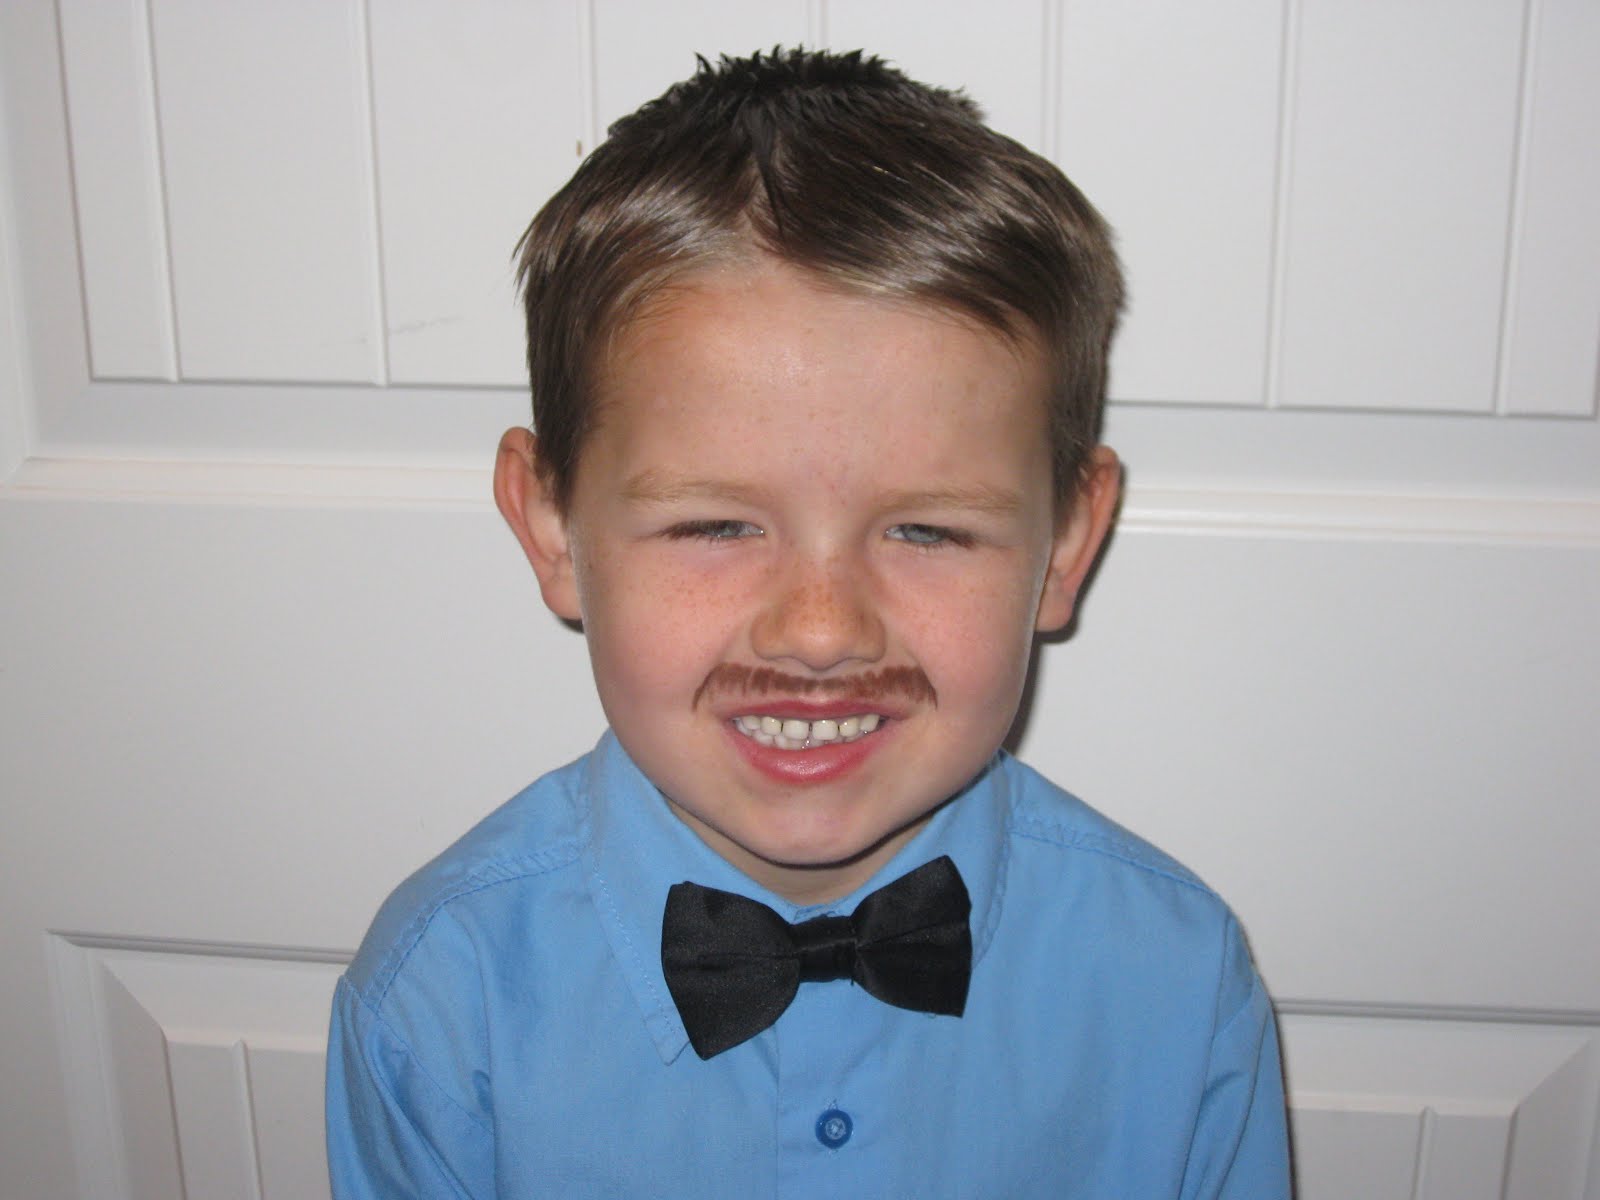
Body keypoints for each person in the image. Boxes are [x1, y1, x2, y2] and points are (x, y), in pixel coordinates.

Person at [325, 47, 1290, 1198]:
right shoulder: (436, 998)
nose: (822, 633)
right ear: (550, 529)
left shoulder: (1178, 981)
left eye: (926, 531)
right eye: (715, 525)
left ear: (1066, 548)